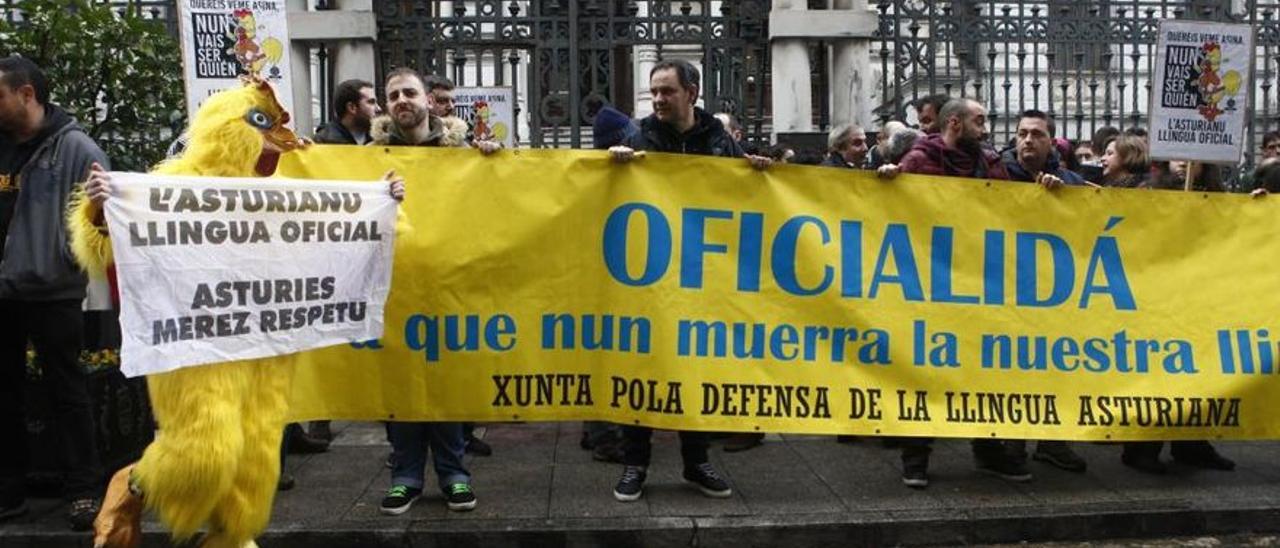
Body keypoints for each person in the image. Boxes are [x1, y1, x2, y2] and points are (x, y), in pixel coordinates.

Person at [607, 58, 771, 502]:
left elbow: (743, 196)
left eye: (667, 91)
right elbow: (608, 193)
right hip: (649, 276)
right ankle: (635, 463)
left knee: (696, 368)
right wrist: (615, 165)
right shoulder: (638, 136)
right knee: (641, 366)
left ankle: (696, 461)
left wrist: (754, 172)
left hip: (702, 277)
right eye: (654, 91)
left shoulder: (719, 139)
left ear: (692, 94)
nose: (658, 99)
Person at [880, 98, 1029, 489]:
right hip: (930, 284)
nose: (986, 128)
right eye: (978, 121)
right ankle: (916, 455)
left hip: (981, 283)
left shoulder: (992, 163)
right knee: (925, 370)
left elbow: (1014, 210)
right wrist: (885, 184)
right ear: (955, 124)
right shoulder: (919, 160)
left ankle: (988, 449)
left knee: (985, 370)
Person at [373, 67, 500, 516]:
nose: (402, 100)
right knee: (401, 385)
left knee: (446, 383)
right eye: (393, 96)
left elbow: (493, 203)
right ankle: (405, 477)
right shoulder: (370, 157)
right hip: (394, 287)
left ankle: (453, 474)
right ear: (387, 106)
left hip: (448, 284)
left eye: (410, 93)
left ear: (429, 100)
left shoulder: (461, 153)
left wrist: (491, 160)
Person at [0, 56, 105, 530]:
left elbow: (103, 229)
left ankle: (83, 490)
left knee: (69, 392)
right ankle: (9, 492)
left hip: (54, 292)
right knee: (4, 395)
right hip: (3, 293)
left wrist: (101, 210)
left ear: (26, 95)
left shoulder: (78, 149)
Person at [1000, 110, 1085, 188]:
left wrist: (1062, 194)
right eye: (1022, 134)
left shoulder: (1072, 182)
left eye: (1037, 134)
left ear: (1053, 143)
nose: (1028, 140)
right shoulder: (997, 175)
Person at [313, 78, 380, 146]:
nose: (378, 108)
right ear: (352, 108)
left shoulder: (382, 139)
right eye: (371, 102)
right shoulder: (323, 142)